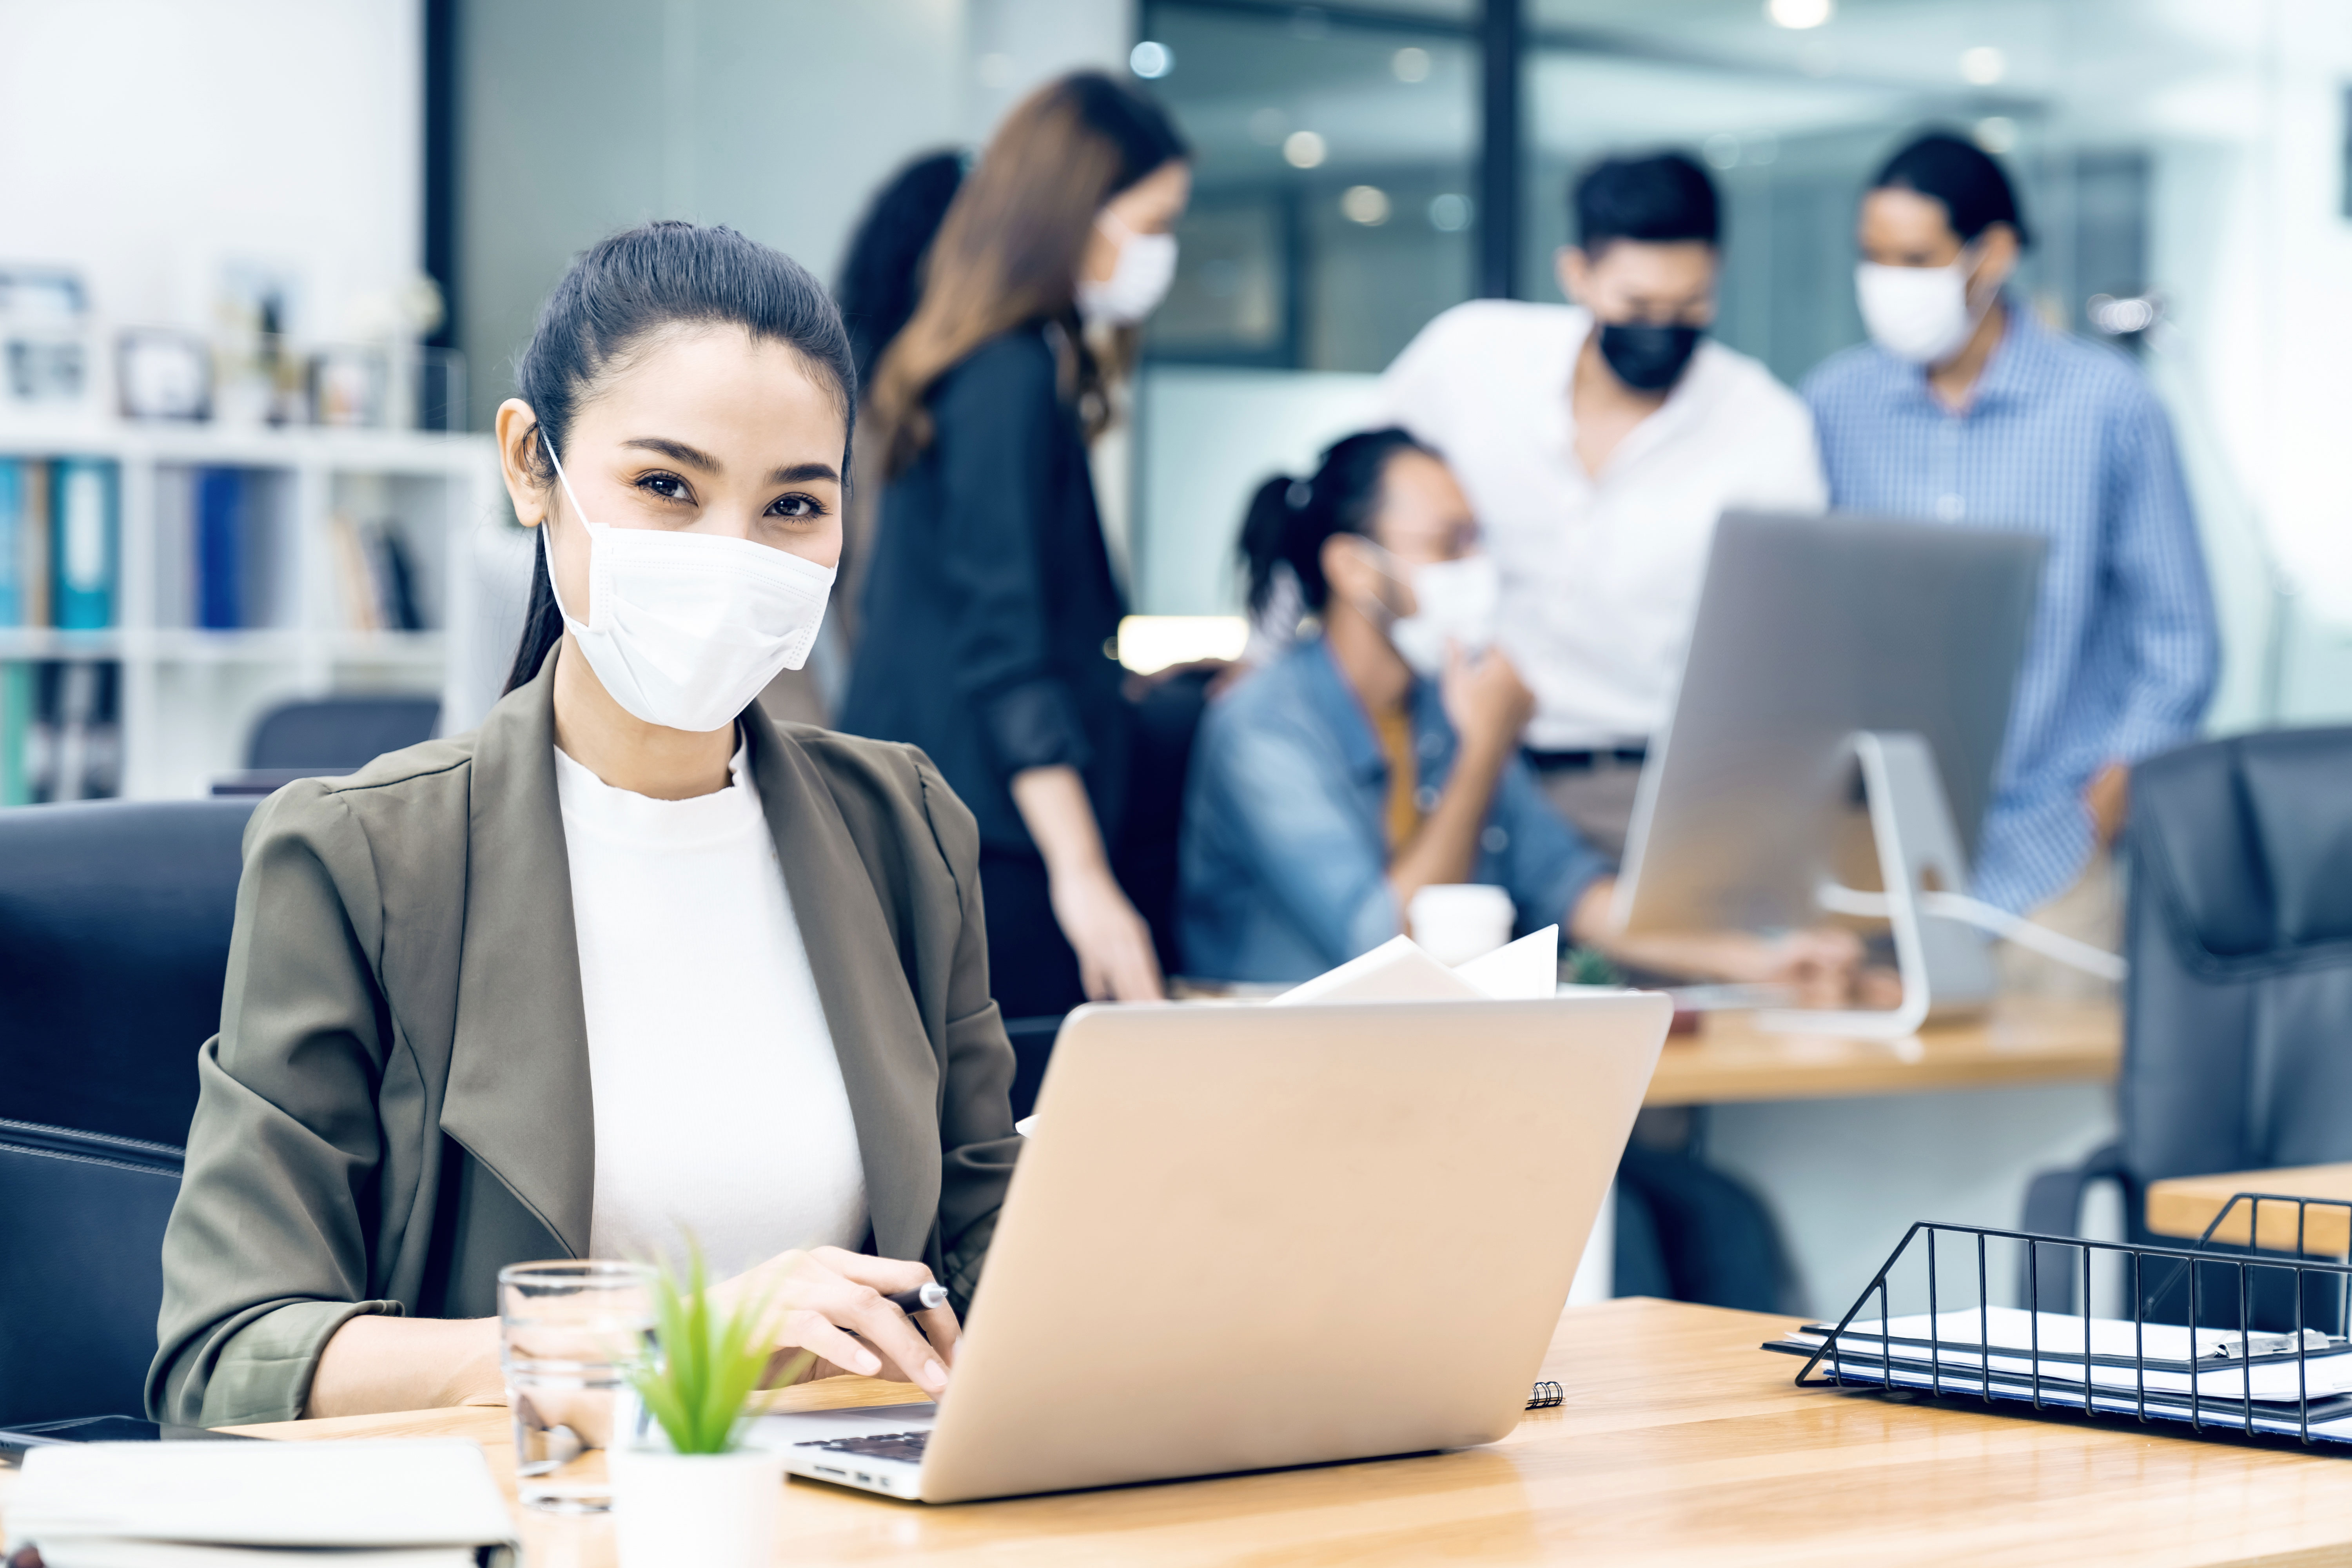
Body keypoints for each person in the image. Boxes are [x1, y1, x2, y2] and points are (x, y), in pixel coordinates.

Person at [150, 222, 1021, 1428]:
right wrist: (678, 1335)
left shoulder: (906, 829)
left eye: (793, 505)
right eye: (667, 487)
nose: (732, 557)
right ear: (531, 466)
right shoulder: (360, 858)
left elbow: (997, 1260)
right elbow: (227, 1362)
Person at [1180, 427, 1860, 996]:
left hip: (1428, 1063)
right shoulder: (1264, 727)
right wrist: (1485, 751)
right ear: (1354, 568)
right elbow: (1389, 943)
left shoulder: (1443, 709)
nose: (1475, 567)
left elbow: (1569, 887)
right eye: (1448, 545)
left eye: (1477, 541)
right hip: (1285, 1069)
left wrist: (1759, 959)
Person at [1803, 131, 2218, 993]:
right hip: (1870, 859)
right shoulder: (1833, 405)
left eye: (1914, 257)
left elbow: (2180, 637)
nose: (1888, 281)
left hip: (2049, 853)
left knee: (2053, 1120)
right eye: (1872, 257)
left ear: (1993, 252)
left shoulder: (2108, 404)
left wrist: (2107, 800)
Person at [841, 72, 1189, 1014]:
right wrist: (1084, 874)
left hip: (956, 823)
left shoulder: (993, 363)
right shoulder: (1005, 374)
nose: (1162, 257)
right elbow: (1008, 650)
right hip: (987, 842)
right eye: (1151, 227)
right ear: (1076, 212)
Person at [1372, 151, 1825, 860]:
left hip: (1635, 791)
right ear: (1576, 274)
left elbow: (1783, 656)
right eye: (1638, 307)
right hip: (1447, 758)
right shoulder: (1470, 359)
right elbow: (1345, 501)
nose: (1664, 331)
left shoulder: (1766, 428)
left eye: (1691, 307)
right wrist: (1272, 647)